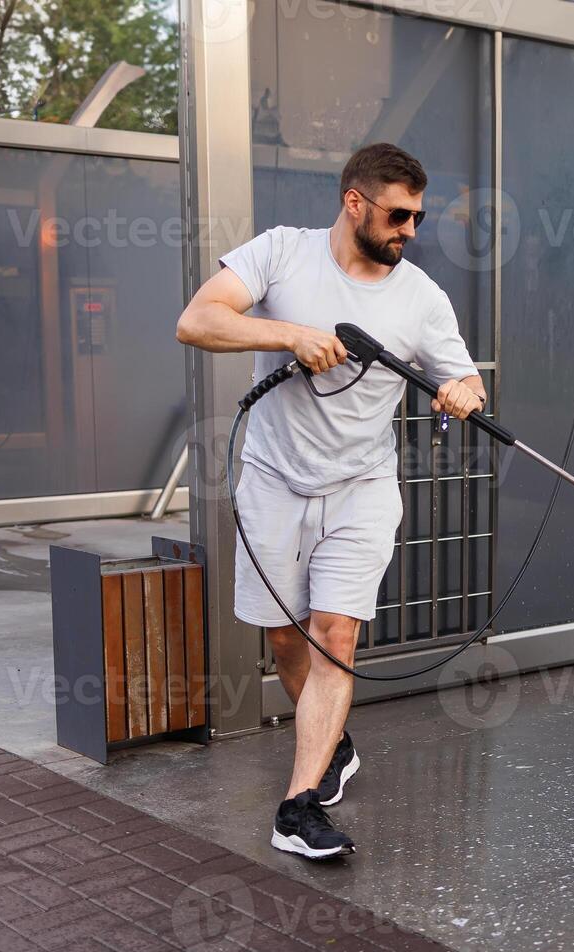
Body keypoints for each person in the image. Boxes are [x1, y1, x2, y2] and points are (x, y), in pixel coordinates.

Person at [176, 143, 485, 859]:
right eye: (398, 214)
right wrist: (291, 334)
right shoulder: (282, 253)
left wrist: (463, 393)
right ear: (355, 202)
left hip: (362, 488)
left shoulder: (422, 297)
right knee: (286, 638)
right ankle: (334, 745)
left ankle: (298, 806)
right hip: (274, 481)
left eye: (418, 217)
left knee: (334, 636)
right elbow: (197, 320)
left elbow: (466, 381)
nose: (410, 229)